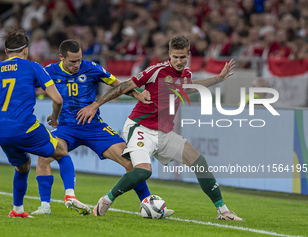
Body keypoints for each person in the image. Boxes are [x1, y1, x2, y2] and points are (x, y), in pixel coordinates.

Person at [77, 35, 244, 221]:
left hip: (164, 133)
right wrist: (95, 105)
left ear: (188, 54)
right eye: (176, 57)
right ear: (169, 55)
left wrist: (218, 79)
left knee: (200, 163)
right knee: (142, 172)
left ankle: (223, 211)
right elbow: (124, 86)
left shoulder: (186, 74)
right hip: (140, 127)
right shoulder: (157, 70)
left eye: (183, 57)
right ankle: (106, 200)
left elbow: (189, 87)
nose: (179, 61)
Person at [30, 39, 174, 217]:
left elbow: (116, 84)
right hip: (67, 127)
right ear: (61, 57)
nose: (77, 64)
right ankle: (45, 206)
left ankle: (147, 204)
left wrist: (137, 94)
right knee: (43, 158)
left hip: (94, 127)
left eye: (79, 60)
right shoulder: (49, 71)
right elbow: (27, 86)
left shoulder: (91, 67)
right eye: (73, 61)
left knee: (131, 163)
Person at [0, 28, 91, 218]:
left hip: (1, 132)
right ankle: (69, 195)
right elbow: (58, 99)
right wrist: (55, 116)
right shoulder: (34, 67)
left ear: (6, 51)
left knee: (23, 165)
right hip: (26, 127)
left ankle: (17, 210)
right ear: (26, 50)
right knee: (61, 152)